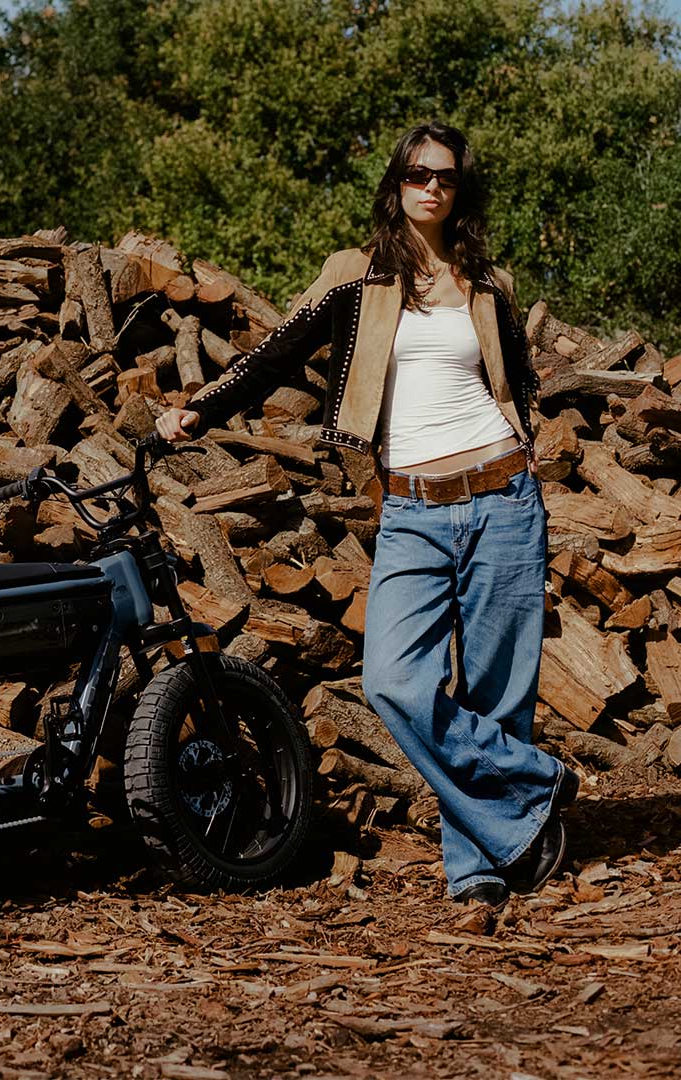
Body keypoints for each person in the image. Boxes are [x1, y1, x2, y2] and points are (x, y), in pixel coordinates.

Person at [155, 120, 578, 909]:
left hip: (502, 494)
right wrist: (201, 407)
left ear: (460, 190)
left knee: (496, 694)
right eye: (418, 174)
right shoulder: (356, 275)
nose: (431, 187)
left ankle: (481, 864)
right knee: (393, 679)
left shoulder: (488, 282)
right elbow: (276, 351)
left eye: (446, 176)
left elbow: (515, 385)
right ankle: (540, 781)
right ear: (395, 185)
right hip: (414, 507)